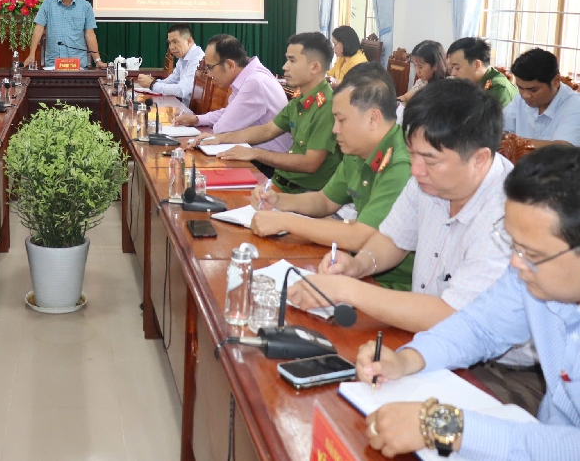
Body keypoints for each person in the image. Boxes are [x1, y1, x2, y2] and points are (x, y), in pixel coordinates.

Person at [287, 79, 537, 406]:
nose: (416, 170)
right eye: (412, 153)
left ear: (479, 159)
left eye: (430, 160)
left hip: (499, 370)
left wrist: (347, 290)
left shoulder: (508, 217)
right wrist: (358, 265)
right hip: (424, 338)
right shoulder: (430, 180)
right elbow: (393, 239)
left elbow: (453, 317)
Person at [357, 145, 580, 458]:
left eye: (532, 253)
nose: (516, 263)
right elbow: (480, 327)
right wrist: (408, 360)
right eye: (513, 245)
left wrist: (445, 426)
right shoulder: (531, 275)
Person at [251, 63, 415, 290]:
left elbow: (359, 236)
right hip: (354, 266)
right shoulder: (358, 149)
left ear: (373, 119)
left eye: (341, 120)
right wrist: (279, 201)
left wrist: (286, 221)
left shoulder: (401, 164)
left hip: (392, 285)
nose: (335, 129)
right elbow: (325, 200)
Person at [204, 32, 342, 193]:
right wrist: (219, 138)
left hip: (304, 193)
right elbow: (267, 130)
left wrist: (255, 153)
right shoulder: (299, 101)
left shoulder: (328, 106)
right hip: (280, 183)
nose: (285, 67)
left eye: (292, 60)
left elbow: (309, 164)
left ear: (315, 67)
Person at [178, 34, 292, 153]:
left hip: (265, 160)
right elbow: (230, 112)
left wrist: (208, 133)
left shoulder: (255, 83)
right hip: (251, 153)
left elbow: (222, 130)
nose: (209, 74)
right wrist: (197, 119)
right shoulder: (249, 76)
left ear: (230, 65)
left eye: (210, 68)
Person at [23, 0, 106, 69]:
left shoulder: (85, 6)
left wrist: (97, 60)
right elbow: (39, 29)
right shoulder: (48, 4)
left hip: (78, 65)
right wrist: (31, 55)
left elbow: (90, 35)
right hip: (53, 65)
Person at [503, 48, 580, 148]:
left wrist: (512, 144)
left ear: (556, 81)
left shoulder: (575, 105)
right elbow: (500, 130)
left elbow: (562, 149)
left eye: (534, 90)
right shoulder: (520, 99)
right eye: (520, 88)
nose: (525, 95)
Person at [135, 24, 205, 106]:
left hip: (191, 110)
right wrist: (152, 82)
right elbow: (172, 81)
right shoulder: (183, 57)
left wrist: (152, 84)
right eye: (169, 43)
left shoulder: (197, 59)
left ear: (189, 41)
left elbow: (182, 90)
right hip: (184, 106)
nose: (171, 47)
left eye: (175, 42)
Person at [447, 37, 517, 108]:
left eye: (457, 68)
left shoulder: (499, 89)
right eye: (451, 68)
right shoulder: (472, 83)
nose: (453, 73)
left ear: (476, 65)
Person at [398, 40, 449, 104]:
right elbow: (405, 97)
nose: (417, 71)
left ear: (435, 65)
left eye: (420, 67)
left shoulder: (448, 85)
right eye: (415, 65)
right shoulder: (423, 81)